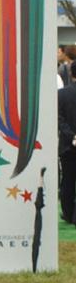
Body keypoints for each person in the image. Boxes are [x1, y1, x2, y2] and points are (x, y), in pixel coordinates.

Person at [58, 59, 76, 225]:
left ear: (71, 73)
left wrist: (71, 136)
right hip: (68, 142)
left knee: (67, 180)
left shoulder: (62, 94)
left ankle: (69, 213)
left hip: (67, 145)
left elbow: (59, 119)